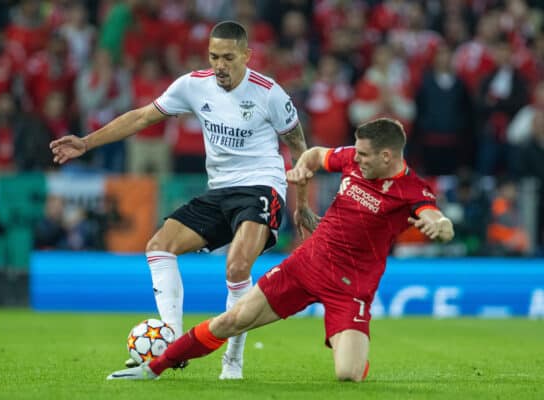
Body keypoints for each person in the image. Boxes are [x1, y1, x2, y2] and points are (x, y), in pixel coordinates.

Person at [49, 21, 308, 379]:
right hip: (219, 190)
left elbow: (299, 148)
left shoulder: (270, 93)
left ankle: (233, 359)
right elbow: (142, 116)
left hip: (261, 187)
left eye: (228, 58)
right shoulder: (193, 85)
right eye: (214, 56)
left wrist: (302, 203)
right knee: (159, 245)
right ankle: (170, 339)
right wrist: (86, 142)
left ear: (247, 56)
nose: (220, 65)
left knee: (236, 267)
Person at [106, 117, 454, 381]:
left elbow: (438, 218)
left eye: (364, 155)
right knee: (233, 319)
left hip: (351, 288)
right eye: (356, 152)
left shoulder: (411, 190)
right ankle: (155, 367)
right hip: (306, 266)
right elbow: (318, 155)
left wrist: (437, 226)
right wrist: (302, 167)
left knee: (347, 374)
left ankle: (348, 343)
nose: (357, 159)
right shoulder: (352, 159)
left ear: (387, 155)